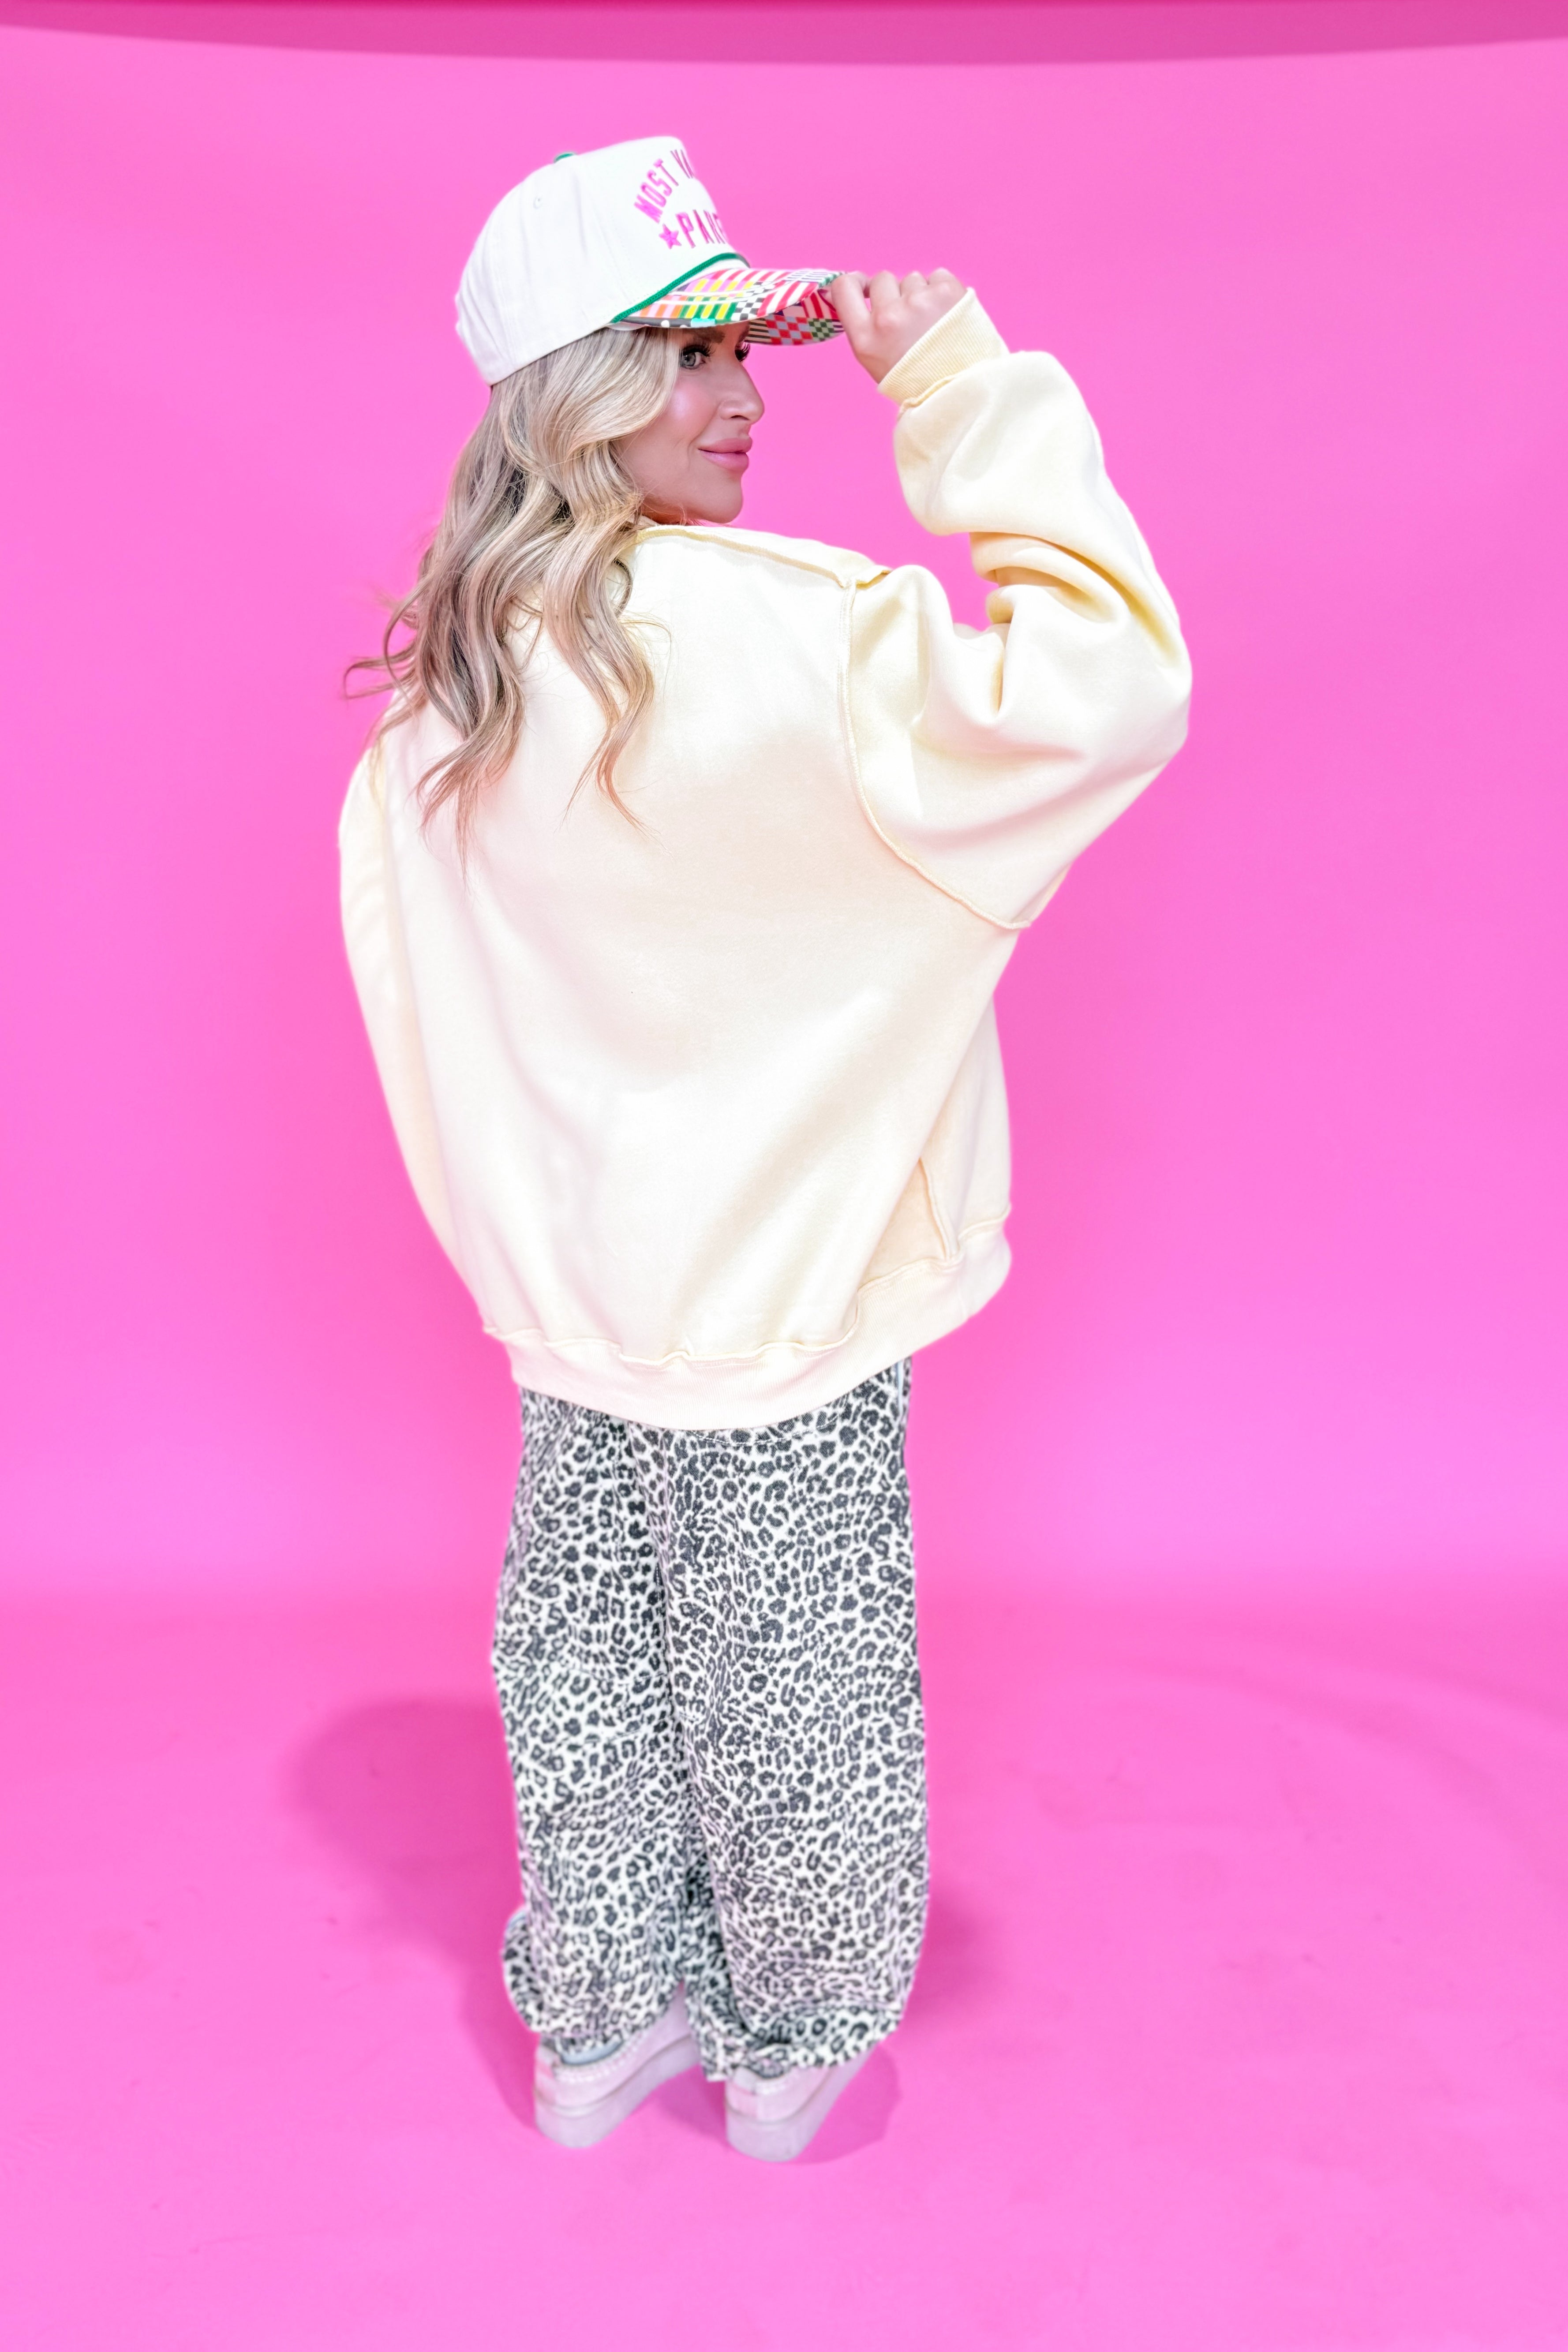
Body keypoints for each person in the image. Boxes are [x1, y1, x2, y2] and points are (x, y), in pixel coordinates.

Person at [340, 134, 1190, 2162]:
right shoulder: (804, 637)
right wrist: (961, 392)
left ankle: (596, 2018)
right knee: (794, 1689)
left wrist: (525, 1254)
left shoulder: (448, 688)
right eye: (688, 355)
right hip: (785, 1301)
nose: (742, 399)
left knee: (588, 1666)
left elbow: (426, 1014)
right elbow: (1109, 689)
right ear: (582, 390)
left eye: (745, 354)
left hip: (580, 1306)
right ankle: (787, 2042)